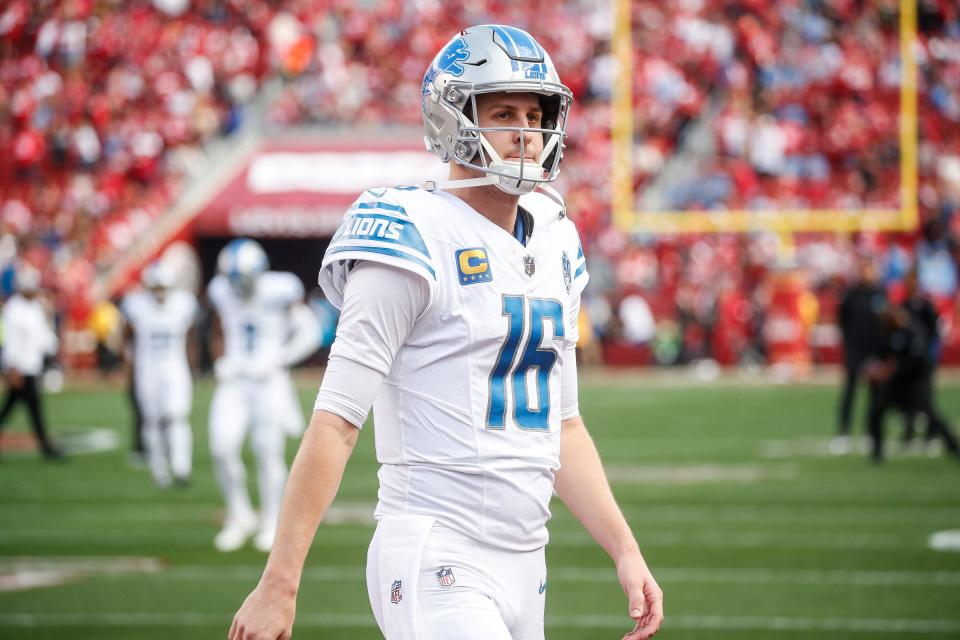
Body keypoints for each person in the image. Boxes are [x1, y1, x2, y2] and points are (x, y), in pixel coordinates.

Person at [228, 25, 663, 640]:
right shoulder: (411, 230)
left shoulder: (555, 233)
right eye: (504, 112)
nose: (527, 132)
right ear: (452, 118)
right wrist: (280, 582)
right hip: (435, 548)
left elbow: (562, 426)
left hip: (526, 560)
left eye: (536, 115)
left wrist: (625, 549)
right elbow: (336, 419)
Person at [207, 239, 307, 553]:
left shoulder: (280, 289)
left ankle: (271, 521)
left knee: (267, 451)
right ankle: (240, 515)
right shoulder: (220, 290)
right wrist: (219, 359)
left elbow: (309, 329)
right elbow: (216, 329)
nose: (239, 287)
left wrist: (281, 357)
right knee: (221, 447)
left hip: (268, 381)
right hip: (235, 380)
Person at [120, 261, 198, 487]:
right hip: (147, 368)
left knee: (177, 415)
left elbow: (191, 336)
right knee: (152, 420)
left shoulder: (183, 304)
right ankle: (159, 471)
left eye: (164, 287)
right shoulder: (136, 305)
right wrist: (130, 363)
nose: (160, 293)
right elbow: (126, 335)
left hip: (175, 367)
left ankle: (182, 467)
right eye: (156, 288)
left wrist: (192, 366)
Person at [863, 304, 960, 463]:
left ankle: (953, 447)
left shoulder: (912, 332)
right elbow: (883, 356)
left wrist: (891, 370)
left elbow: (916, 361)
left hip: (915, 384)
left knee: (931, 415)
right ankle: (877, 453)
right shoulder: (888, 334)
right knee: (875, 412)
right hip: (897, 385)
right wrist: (875, 368)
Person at [0, 267, 62, 460]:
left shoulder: (36, 307)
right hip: (21, 367)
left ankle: (45, 446)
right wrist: (12, 368)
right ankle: (46, 447)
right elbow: (11, 342)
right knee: (31, 408)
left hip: (32, 365)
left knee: (17, 407)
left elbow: (43, 337)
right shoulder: (14, 309)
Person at [833, 253, 886, 455]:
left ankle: (869, 433)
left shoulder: (880, 293)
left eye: (869, 268)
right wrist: (848, 344)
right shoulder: (851, 294)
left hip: (874, 351)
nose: (866, 272)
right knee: (849, 393)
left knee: (874, 395)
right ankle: (843, 433)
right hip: (855, 350)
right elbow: (842, 320)